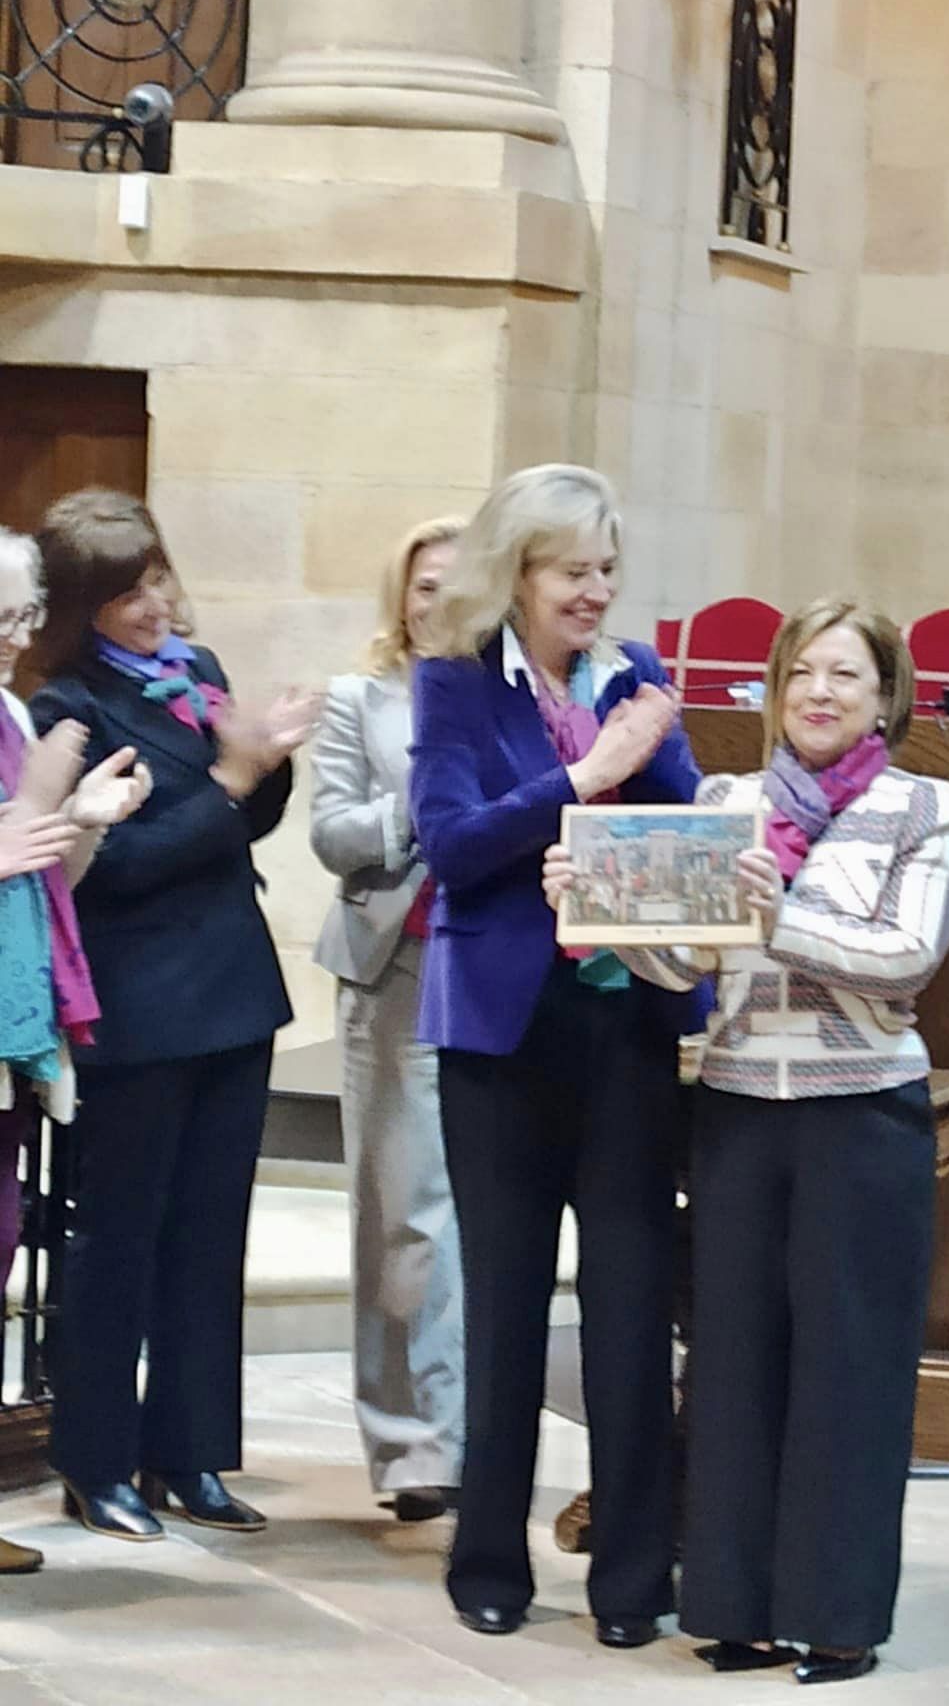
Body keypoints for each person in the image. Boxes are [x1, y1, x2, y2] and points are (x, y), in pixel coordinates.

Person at [548, 598, 949, 1685]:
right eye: (801, 675)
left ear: (886, 696)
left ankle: (835, 1617)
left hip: (861, 1115)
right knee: (731, 1366)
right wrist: (602, 915)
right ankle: (730, 1603)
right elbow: (684, 965)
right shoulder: (724, 801)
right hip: (736, 1108)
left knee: (850, 1372)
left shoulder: (921, 808)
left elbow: (906, 957)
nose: (819, 693)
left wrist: (776, 916)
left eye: (845, 675)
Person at [411, 463, 702, 1646]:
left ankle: (632, 1575)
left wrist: (656, 765)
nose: (596, 591)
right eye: (574, 569)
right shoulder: (453, 685)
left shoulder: (637, 681)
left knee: (631, 1308)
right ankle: (486, 1559)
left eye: (606, 570)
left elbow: (688, 831)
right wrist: (587, 772)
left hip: (626, 1028)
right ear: (518, 571)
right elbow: (455, 844)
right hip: (503, 1038)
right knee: (507, 1307)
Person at [28, 489, 317, 1543]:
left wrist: (265, 763)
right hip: (137, 1003)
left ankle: (188, 1451)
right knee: (121, 1236)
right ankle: (97, 1459)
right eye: (126, 593)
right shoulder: (70, 706)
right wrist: (234, 777)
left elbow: (249, 821)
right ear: (80, 605)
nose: (154, 604)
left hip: (233, 993)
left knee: (209, 1234)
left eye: (155, 578)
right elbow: (110, 870)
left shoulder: (196, 673)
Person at [0, 527, 150, 1577]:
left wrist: (84, 816)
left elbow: (49, 871)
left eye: (21, 616)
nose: (15, 641)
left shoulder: (12, 712)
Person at [311, 515, 465, 1524]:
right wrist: (420, 806)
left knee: (478, 1218)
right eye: (422, 587)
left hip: (499, 967)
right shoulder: (359, 697)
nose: (438, 604)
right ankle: (414, 1446)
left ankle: (478, 1430)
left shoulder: (514, 695)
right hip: (398, 963)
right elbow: (331, 830)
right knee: (404, 1216)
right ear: (398, 598)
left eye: (458, 586)